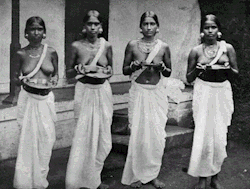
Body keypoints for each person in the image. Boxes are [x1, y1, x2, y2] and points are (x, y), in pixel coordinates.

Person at [186, 14, 239, 189]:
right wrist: (198, 69)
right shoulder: (196, 51)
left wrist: (227, 68)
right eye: (206, 28)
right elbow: (189, 77)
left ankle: (215, 177)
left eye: (213, 27)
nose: (210, 31)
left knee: (218, 137)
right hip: (203, 91)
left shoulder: (227, 48)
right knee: (202, 136)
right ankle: (202, 178)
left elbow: (235, 74)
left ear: (218, 30)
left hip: (221, 92)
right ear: (202, 31)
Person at [121, 11, 172, 188]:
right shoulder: (132, 45)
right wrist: (133, 66)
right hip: (139, 92)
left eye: (152, 24)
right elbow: (125, 70)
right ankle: (136, 175)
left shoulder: (163, 47)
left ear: (157, 27)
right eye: (145, 24)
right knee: (138, 134)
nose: (149, 27)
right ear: (140, 26)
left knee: (156, 135)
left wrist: (162, 67)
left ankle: (152, 175)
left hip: (156, 93)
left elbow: (168, 72)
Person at [65, 10, 113, 189]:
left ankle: (94, 179)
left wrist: (104, 72)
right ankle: (76, 181)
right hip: (84, 92)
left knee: (102, 139)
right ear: (84, 27)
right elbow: (68, 73)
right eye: (89, 24)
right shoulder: (76, 46)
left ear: (101, 27)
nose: (93, 27)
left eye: (96, 24)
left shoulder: (106, 46)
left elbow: (110, 71)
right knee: (83, 137)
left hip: (102, 92)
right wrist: (78, 68)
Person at [12, 16, 59, 189]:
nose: (36, 32)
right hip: (29, 101)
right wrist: (22, 80)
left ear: (44, 33)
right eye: (32, 29)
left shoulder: (52, 52)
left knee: (46, 141)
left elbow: (55, 75)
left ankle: (40, 182)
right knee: (27, 143)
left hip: (46, 101)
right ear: (26, 33)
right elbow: (15, 79)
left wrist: (53, 82)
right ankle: (25, 183)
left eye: (39, 29)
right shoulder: (21, 53)